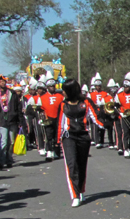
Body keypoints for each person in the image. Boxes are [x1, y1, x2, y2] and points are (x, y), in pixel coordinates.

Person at [57, 79, 102, 207]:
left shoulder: (86, 102)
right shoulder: (63, 104)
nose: (63, 92)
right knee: (72, 165)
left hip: (83, 136)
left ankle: (81, 190)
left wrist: (108, 120)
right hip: (68, 137)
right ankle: (75, 195)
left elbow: (96, 117)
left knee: (82, 166)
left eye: (65, 90)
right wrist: (56, 140)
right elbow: (60, 122)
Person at [0, 76, 21, 169]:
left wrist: (19, 120)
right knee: (3, 142)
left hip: (12, 120)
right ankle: (0, 161)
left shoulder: (12, 93)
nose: (2, 83)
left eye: (3, 81)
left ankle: (9, 160)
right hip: (2, 121)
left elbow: (18, 107)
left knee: (11, 142)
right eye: (0, 81)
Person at [36, 78, 63, 161]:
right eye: (50, 86)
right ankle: (49, 152)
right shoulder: (42, 97)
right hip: (48, 118)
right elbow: (39, 108)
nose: (52, 87)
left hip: (58, 118)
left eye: (53, 86)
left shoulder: (60, 96)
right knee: (48, 136)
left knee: (57, 136)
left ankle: (56, 152)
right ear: (47, 87)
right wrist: (42, 116)